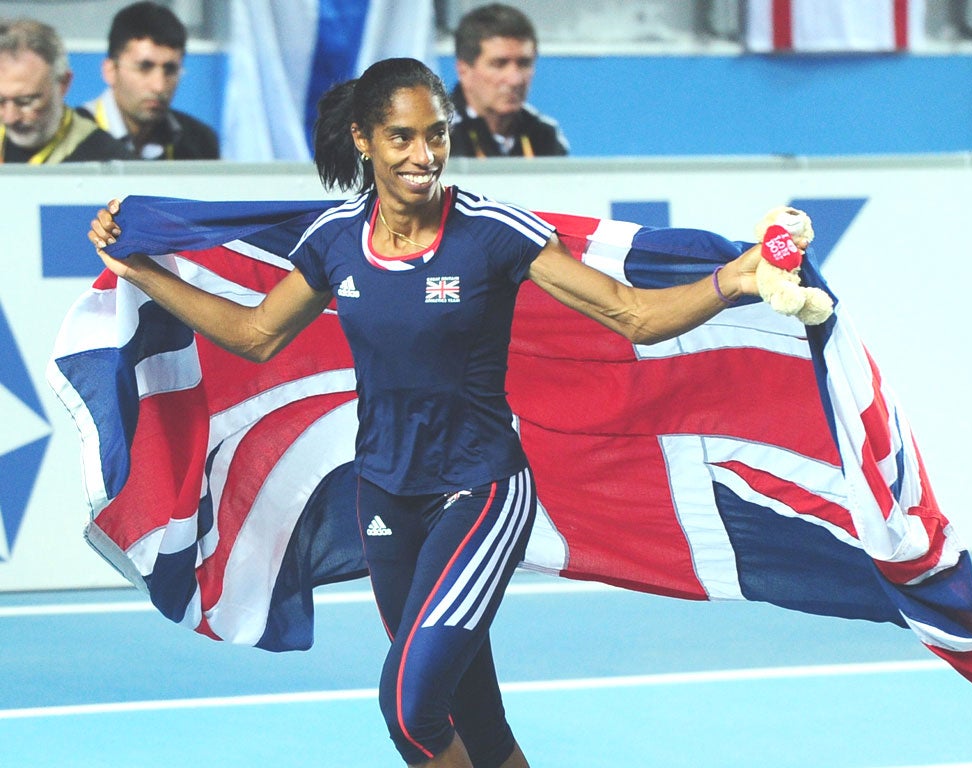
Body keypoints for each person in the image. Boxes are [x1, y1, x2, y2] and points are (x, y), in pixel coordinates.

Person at [89, 58, 770, 768]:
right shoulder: (334, 241)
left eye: (437, 136)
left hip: (479, 490)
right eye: (403, 138)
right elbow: (256, 334)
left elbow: (629, 315)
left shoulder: (492, 231)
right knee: (476, 719)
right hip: (383, 497)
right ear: (364, 140)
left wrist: (733, 279)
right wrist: (143, 273)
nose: (425, 156)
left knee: (412, 713)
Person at [78, 1, 219, 160]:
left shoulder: (200, 142)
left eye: (170, 70)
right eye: (144, 67)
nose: (158, 86)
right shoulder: (70, 139)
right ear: (110, 71)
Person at [0, 18, 132, 163]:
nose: (10, 118)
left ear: (64, 83)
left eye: (26, 101)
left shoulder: (109, 161)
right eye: (1, 101)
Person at [449, 3, 568, 158]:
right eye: (499, 64)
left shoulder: (545, 135)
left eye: (524, 63)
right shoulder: (436, 135)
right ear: (464, 71)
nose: (515, 80)